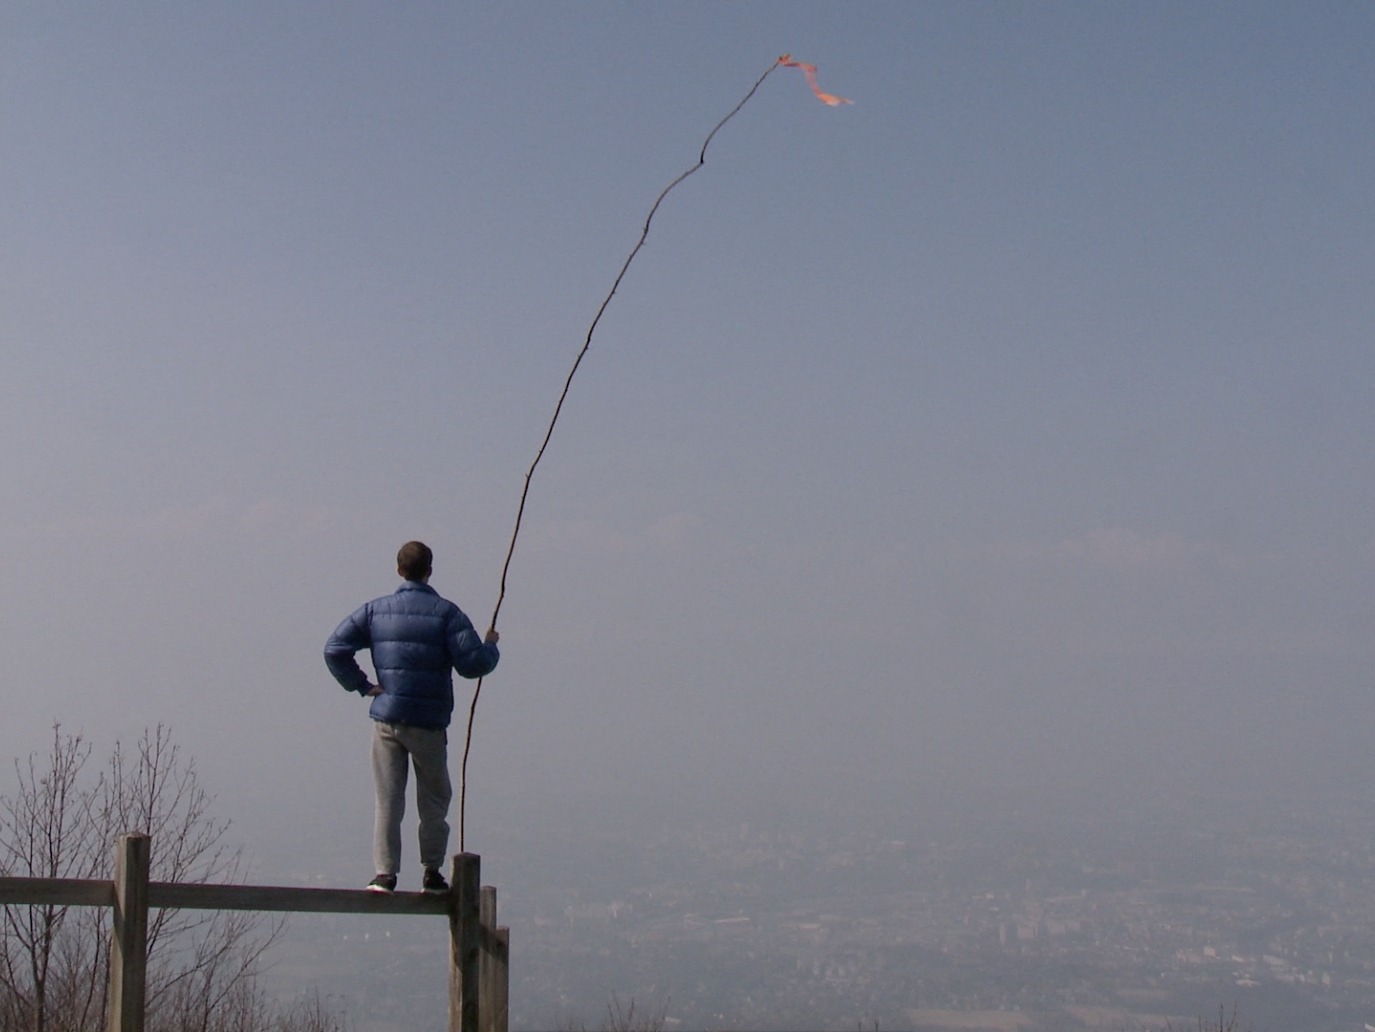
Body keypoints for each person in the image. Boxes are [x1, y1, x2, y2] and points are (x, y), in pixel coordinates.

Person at [324, 541, 500, 894]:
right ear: (429, 570)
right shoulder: (446, 613)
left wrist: (363, 686)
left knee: (389, 798)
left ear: (398, 569)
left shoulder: (375, 611)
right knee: (434, 799)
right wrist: (491, 645)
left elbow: (334, 649)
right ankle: (432, 873)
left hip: (387, 718)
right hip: (429, 722)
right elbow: (473, 665)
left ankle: (384, 874)